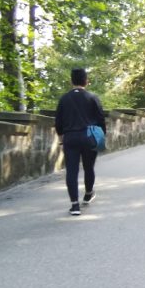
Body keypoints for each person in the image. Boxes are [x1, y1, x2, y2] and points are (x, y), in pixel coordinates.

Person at [54, 68, 106, 216]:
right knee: (89, 167)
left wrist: (61, 135)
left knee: (71, 171)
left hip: (70, 138)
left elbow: (58, 121)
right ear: (86, 81)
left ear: (71, 81)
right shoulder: (93, 97)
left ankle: (75, 205)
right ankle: (88, 194)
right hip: (89, 137)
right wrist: (102, 136)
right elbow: (101, 119)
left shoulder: (64, 99)